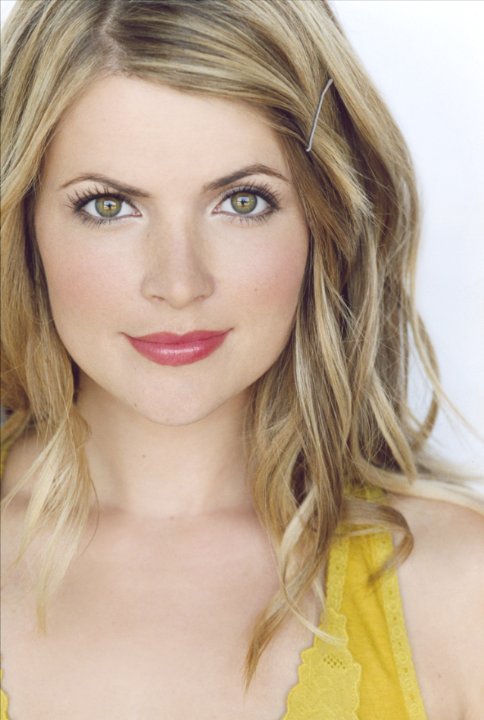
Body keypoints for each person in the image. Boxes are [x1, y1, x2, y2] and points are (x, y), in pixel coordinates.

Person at [1, 1, 483, 718]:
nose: (178, 283)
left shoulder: (460, 590)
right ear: (24, 223)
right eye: (108, 206)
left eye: (243, 201)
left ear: (325, 220)